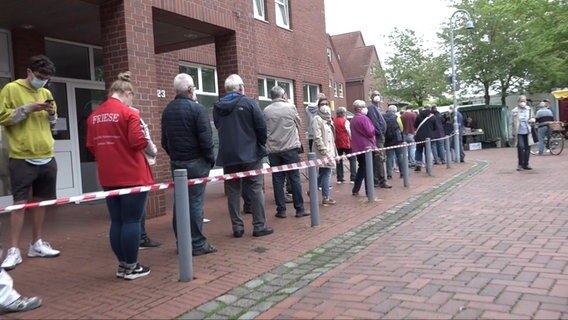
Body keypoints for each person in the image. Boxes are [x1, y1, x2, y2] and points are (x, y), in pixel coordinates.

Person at [86, 71, 152, 280]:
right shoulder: (129, 114)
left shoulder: (94, 116)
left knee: (117, 221)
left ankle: (123, 264)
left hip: (108, 176)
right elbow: (137, 142)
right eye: (131, 96)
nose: (131, 101)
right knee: (132, 221)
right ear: (125, 92)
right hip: (132, 174)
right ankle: (132, 266)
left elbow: (91, 146)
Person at [0, 55, 60, 270]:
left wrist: (51, 113)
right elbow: (3, 117)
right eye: (39, 77)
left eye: (46, 78)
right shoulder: (11, 89)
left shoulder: (46, 92)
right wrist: (27, 109)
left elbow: (53, 122)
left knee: (41, 201)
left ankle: (36, 243)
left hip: (46, 152)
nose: (42, 81)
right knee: (19, 202)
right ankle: (13, 250)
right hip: (21, 155)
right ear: (29, 72)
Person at [161, 73, 217, 256]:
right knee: (194, 203)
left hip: (177, 163)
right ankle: (197, 244)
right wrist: (210, 159)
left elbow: (164, 141)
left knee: (180, 204)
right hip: (196, 163)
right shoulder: (197, 109)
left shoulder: (167, 110)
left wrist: (175, 155)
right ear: (191, 89)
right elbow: (206, 139)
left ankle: (182, 242)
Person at [214, 74, 273, 238]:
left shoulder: (218, 106)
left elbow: (218, 126)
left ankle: (237, 227)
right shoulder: (249, 103)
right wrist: (260, 144)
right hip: (251, 154)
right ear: (240, 88)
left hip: (228, 155)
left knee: (233, 190)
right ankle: (259, 225)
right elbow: (261, 127)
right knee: (255, 188)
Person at [263, 86, 308, 219]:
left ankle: (281, 210)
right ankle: (299, 209)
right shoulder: (290, 107)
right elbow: (300, 124)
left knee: (277, 179)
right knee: (294, 177)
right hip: (290, 148)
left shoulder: (266, 111)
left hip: (274, 150)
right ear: (283, 96)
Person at [128, 106, 162, 249]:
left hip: (126, 166)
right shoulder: (134, 118)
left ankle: (136, 236)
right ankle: (140, 237)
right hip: (140, 164)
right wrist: (153, 151)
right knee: (139, 204)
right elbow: (144, 140)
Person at [312, 97, 338, 206]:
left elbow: (332, 137)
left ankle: (311, 190)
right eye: (322, 104)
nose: (325, 106)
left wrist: (334, 152)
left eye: (326, 104)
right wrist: (324, 151)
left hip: (330, 150)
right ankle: (326, 197)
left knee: (323, 173)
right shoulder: (317, 119)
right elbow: (317, 137)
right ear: (318, 106)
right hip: (323, 151)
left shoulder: (329, 120)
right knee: (327, 172)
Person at [350, 100, 376, 196]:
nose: (366, 108)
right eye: (364, 106)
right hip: (367, 147)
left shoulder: (353, 119)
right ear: (360, 108)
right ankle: (369, 191)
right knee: (369, 169)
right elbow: (370, 132)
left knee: (361, 168)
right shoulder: (364, 118)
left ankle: (356, 189)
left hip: (358, 147)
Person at [366, 90, 391, 188]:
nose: (377, 97)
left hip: (380, 136)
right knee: (379, 158)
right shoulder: (372, 108)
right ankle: (381, 180)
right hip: (378, 137)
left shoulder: (378, 108)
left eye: (378, 95)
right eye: (375, 95)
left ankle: (377, 179)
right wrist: (380, 133)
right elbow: (375, 123)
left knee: (379, 158)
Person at [333, 106, 356, 184]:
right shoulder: (346, 121)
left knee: (339, 160)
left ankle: (339, 178)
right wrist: (352, 140)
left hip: (337, 142)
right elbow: (349, 132)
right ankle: (353, 177)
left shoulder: (334, 121)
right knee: (352, 159)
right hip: (346, 142)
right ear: (343, 113)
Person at [511, 95, 534, 170]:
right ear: (518, 102)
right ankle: (520, 164)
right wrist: (512, 133)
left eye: (524, 101)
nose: (523, 103)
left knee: (528, 148)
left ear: (526, 102)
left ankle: (526, 164)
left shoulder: (529, 109)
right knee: (521, 147)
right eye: (521, 101)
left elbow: (533, 117)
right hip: (519, 132)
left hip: (528, 131)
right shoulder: (514, 111)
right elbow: (511, 123)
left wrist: (533, 120)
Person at [413, 107, 438, 172]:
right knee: (428, 151)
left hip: (419, 137)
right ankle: (428, 165)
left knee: (418, 150)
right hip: (429, 137)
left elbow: (415, 125)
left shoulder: (419, 116)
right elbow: (435, 127)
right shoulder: (433, 117)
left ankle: (418, 164)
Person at [384, 105, 404, 179]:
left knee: (389, 157)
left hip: (387, 140)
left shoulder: (383, 117)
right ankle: (402, 172)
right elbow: (401, 128)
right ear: (395, 111)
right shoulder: (397, 117)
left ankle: (389, 174)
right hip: (397, 139)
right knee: (399, 156)